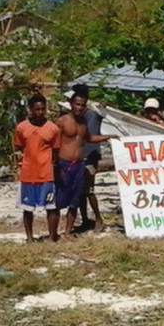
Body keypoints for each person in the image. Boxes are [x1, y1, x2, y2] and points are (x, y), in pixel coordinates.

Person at [57, 92, 115, 237]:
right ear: (71, 103)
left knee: (76, 198)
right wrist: (55, 164)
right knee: (59, 199)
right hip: (64, 164)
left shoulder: (83, 123)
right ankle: (54, 233)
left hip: (79, 164)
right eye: (77, 104)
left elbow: (89, 138)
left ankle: (68, 232)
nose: (80, 107)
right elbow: (53, 142)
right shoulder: (62, 121)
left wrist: (109, 137)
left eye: (83, 105)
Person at [14, 94, 61, 243]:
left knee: (51, 207)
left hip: (46, 174)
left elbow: (56, 151)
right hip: (28, 174)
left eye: (43, 109)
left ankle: (52, 237)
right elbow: (18, 147)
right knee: (27, 208)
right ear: (30, 109)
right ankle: (29, 237)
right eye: (37, 109)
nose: (40, 112)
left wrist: (56, 170)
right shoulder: (21, 127)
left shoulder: (53, 128)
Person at [71, 84, 108, 231]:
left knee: (89, 190)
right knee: (80, 191)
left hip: (90, 156)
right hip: (78, 156)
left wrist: (102, 107)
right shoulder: (75, 116)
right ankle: (85, 220)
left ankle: (98, 220)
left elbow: (103, 113)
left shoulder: (94, 113)